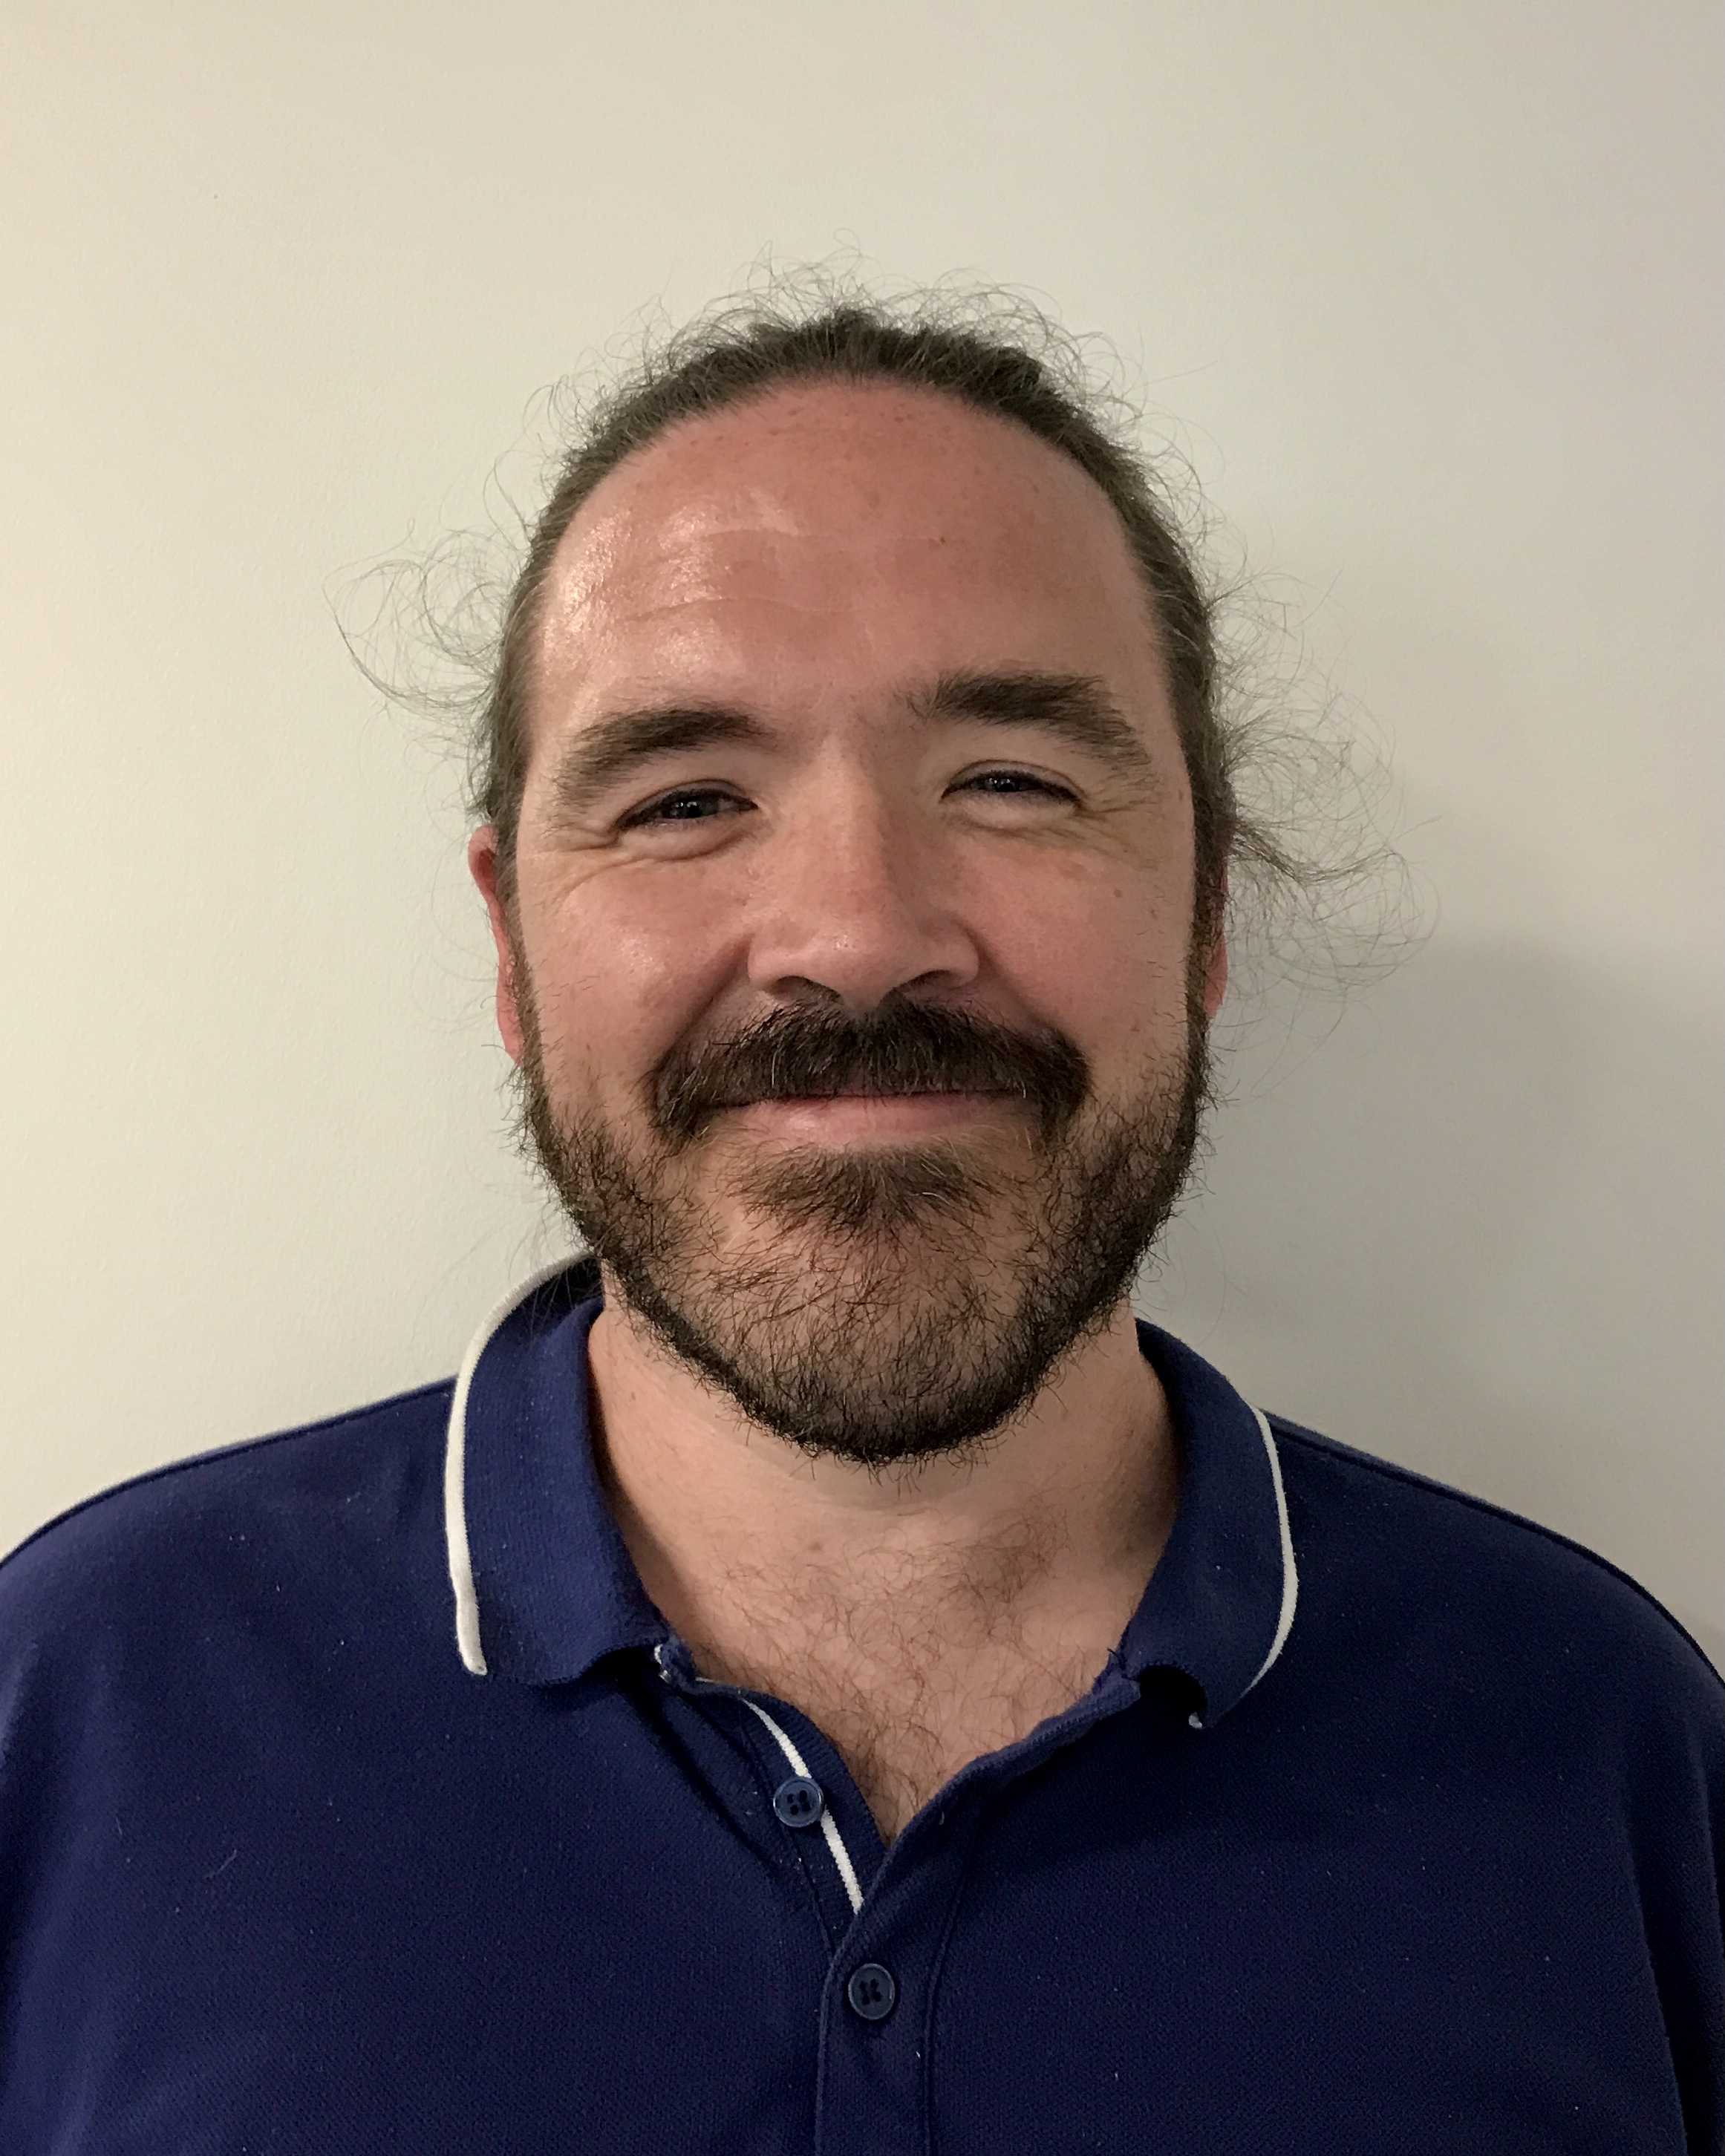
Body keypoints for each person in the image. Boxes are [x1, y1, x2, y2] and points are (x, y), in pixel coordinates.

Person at [1, 291, 1719, 2155]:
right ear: (509, 946)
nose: (857, 933)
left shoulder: (1602, 1745)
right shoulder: (83, 1704)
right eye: (685, 800)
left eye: (1011, 782)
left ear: (1207, 912)